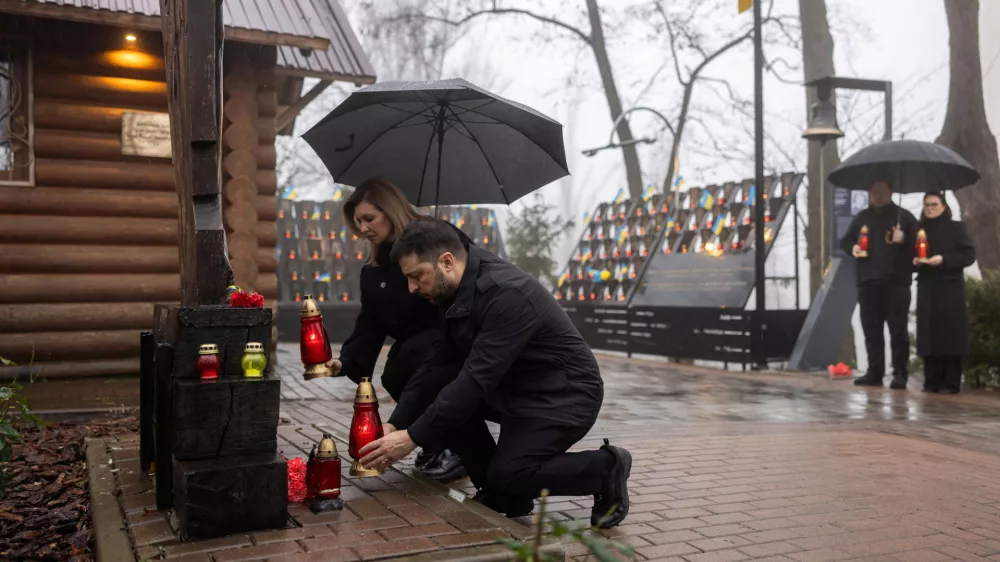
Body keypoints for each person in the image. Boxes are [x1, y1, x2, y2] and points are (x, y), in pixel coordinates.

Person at [357, 218, 632, 529]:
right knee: (440, 386)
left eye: (417, 276)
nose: (411, 288)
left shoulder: (507, 294)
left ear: (447, 261)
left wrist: (412, 438)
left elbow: (475, 380)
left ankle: (605, 468)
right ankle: (504, 496)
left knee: (511, 473)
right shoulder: (454, 290)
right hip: (517, 390)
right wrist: (397, 423)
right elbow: (435, 365)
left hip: (564, 395)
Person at [324, 178, 466, 482]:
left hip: (453, 339)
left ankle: (456, 448)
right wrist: (346, 361)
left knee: (417, 365)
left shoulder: (436, 240)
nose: (363, 228)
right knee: (394, 374)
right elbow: (371, 320)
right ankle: (435, 442)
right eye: (358, 221)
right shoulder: (373, 271)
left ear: (390, 211)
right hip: (416, 348)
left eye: (369, 218)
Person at [840, 180, 918, 389]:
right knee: (871, 329)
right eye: (873, 192)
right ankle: (874, 372)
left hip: (896, 283)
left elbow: (920, 245)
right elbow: (845, 241)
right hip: (868, 282)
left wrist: (904, 239)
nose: (877, 196)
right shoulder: (862, 217)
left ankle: (900, 373)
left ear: (890, 193)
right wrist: (854, 247)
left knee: (898, 330)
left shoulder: (904, 217)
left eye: (881, 192)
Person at [913, 192, 976, 394]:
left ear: (943, 206)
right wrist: (914, 261)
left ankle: (951, 382)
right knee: (929, 335)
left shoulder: (956, 228)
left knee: (950, 335)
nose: (930, 208)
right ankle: (931, 381)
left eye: (934, 204)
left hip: (949, 288)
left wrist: (945, 259)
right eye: (926, 205)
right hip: (927, 287)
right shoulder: (918, 230)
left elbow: (968, 255)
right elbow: (907, 255)